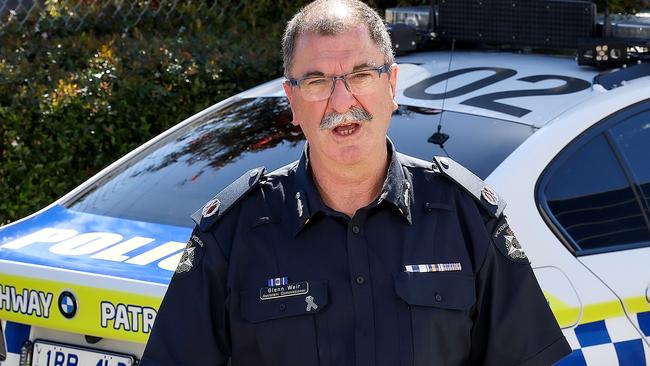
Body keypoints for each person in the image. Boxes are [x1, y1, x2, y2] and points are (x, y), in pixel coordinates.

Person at [140, 0, 572, 365]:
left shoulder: (467, 218)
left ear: (392, 84)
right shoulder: (233, 235)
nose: (342, 101)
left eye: (361, 75)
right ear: (292, 101)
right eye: (317, 82)